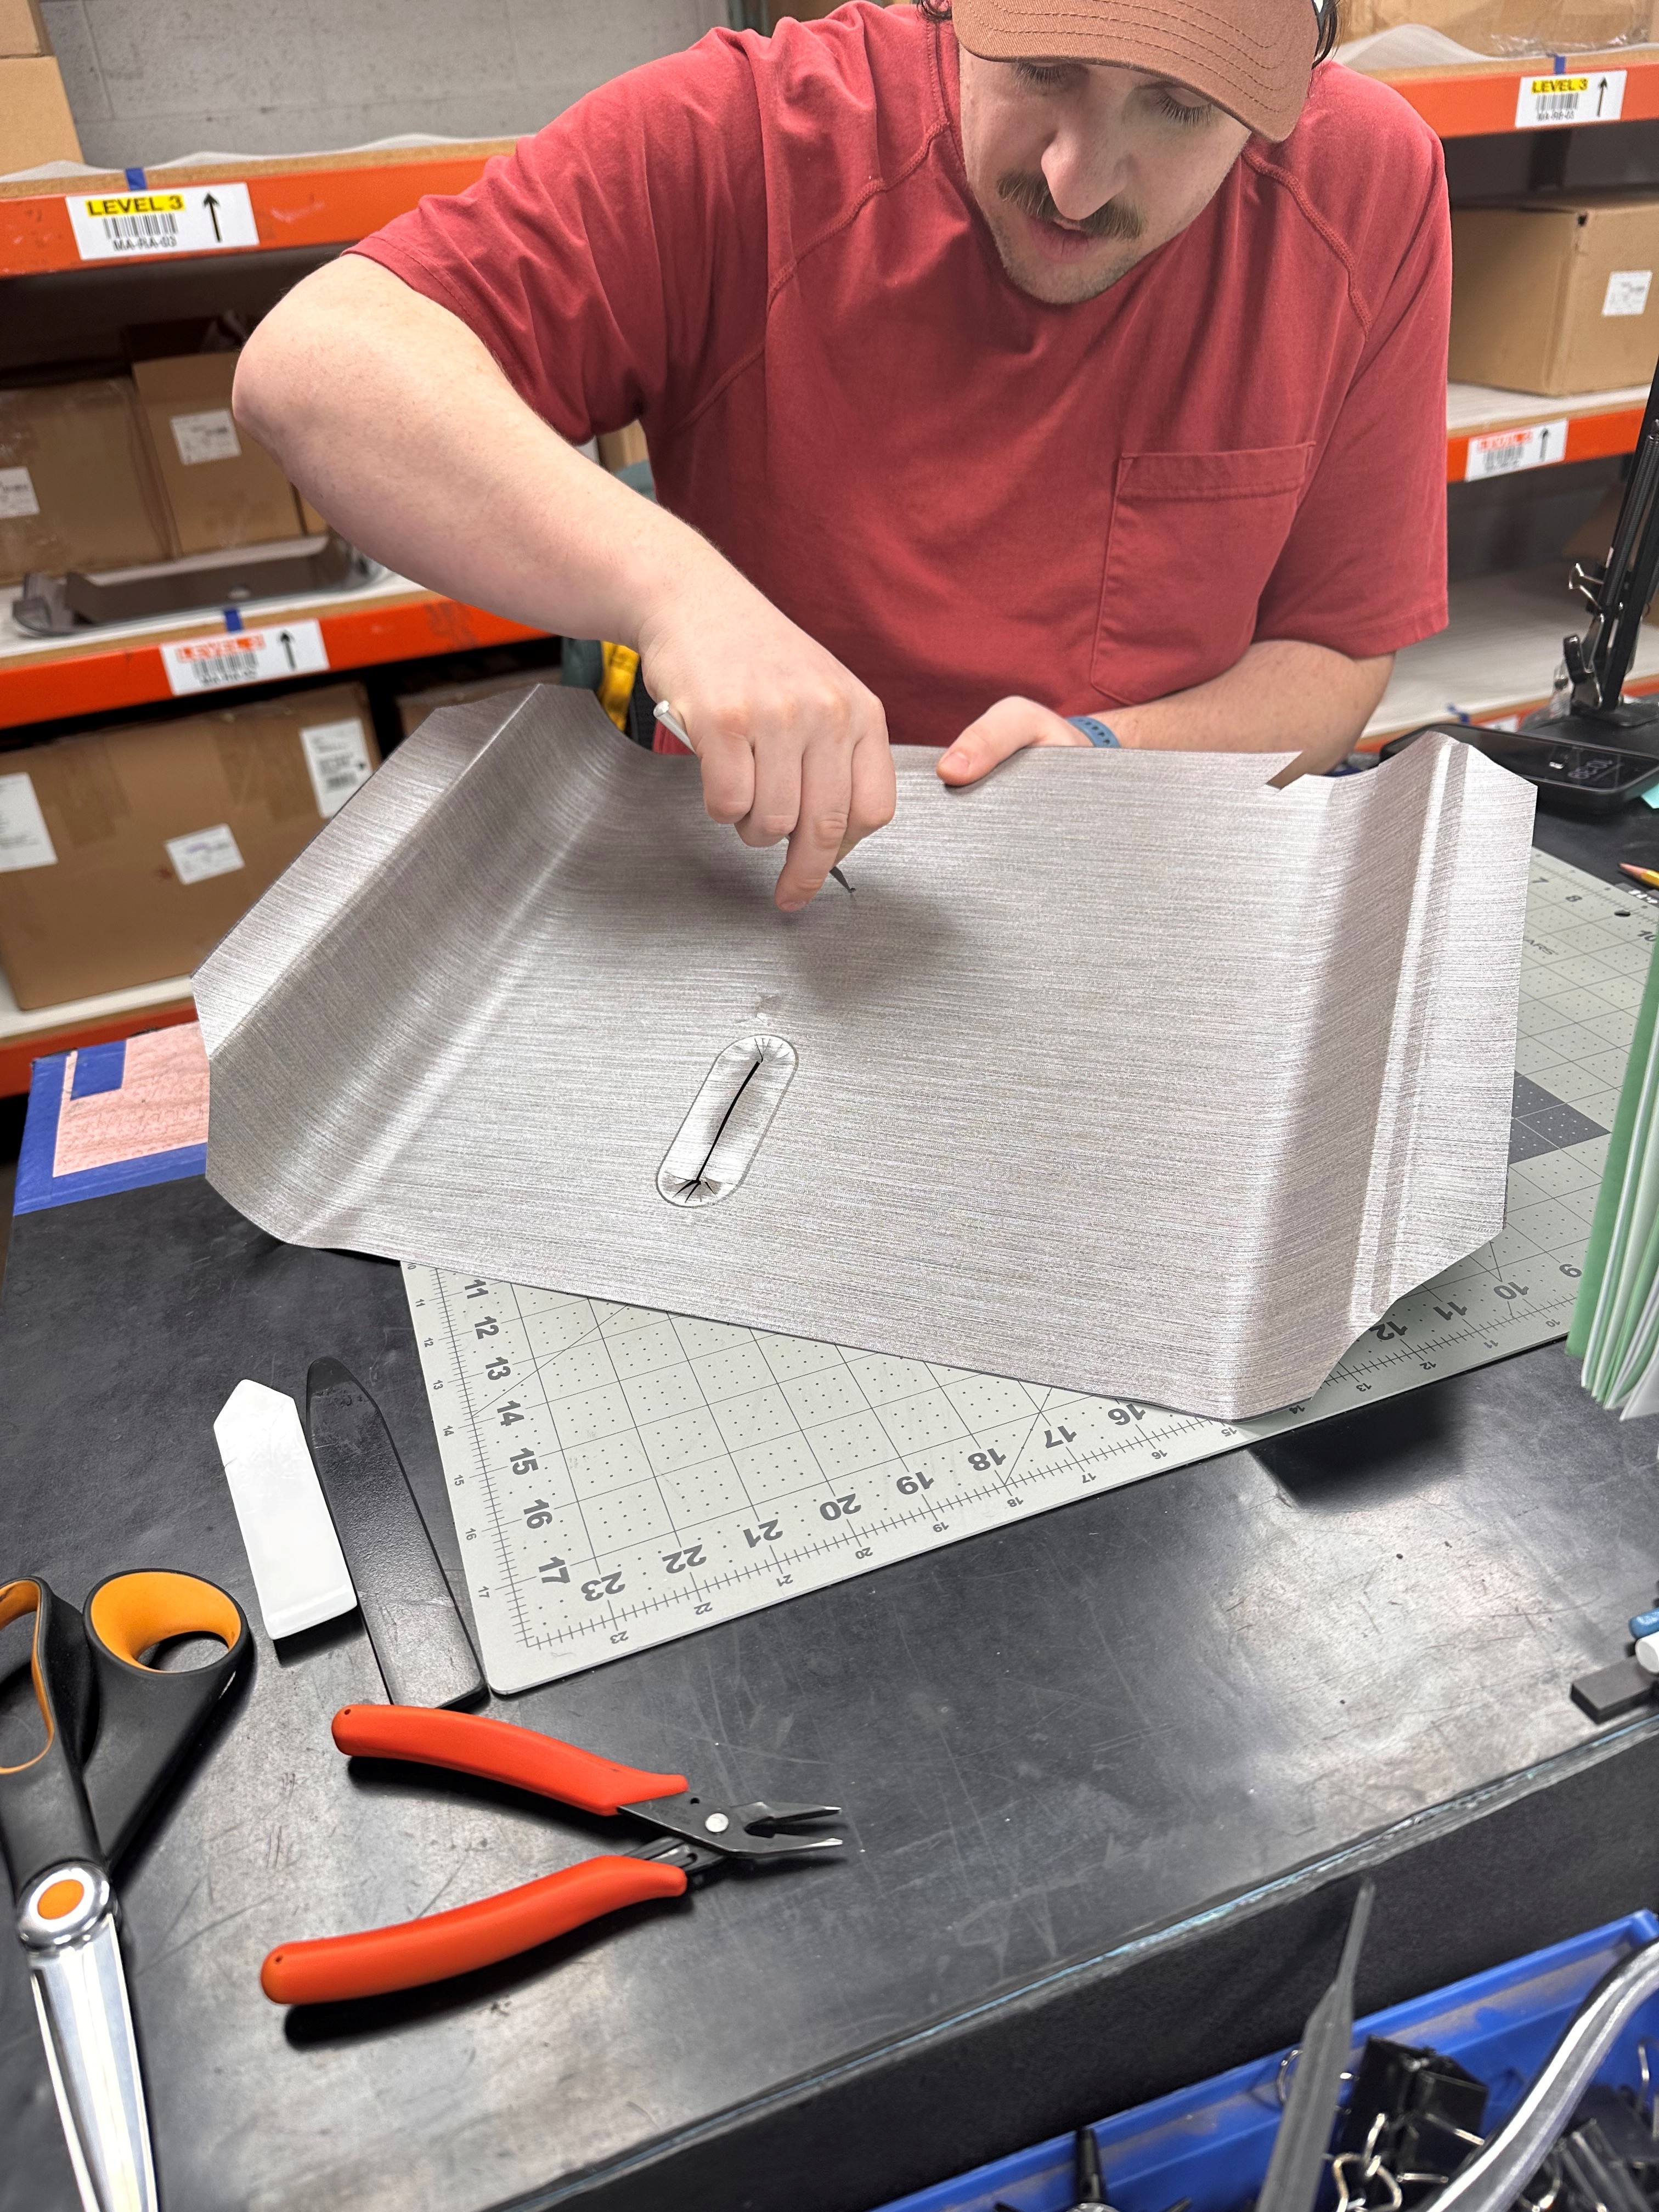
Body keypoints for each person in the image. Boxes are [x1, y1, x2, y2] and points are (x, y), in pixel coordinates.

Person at [234, 0, 1449, 911]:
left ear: (1301, 71)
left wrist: (1104, 764)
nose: (1078, 180)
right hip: (761, 885)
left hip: (1148, 869)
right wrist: (680, 595)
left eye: (1178, 108)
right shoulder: (749, 139)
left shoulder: (1367, 188)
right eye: (1040, 71)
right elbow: (316, 367)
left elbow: (1336, 653)